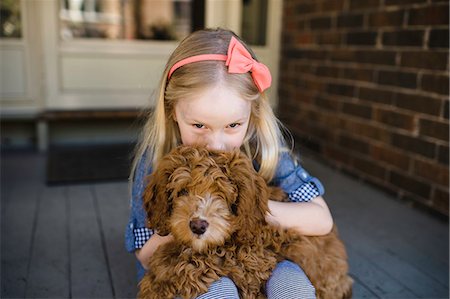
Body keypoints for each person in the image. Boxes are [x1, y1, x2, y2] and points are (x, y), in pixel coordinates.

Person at [125, 28, 333, 299]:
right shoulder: (155, 159)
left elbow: (322, 220)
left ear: (252, 114)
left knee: (292, 287)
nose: (216, 144)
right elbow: (145, 255)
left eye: (233, 125)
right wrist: (190, 216)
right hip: (185, 269)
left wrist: (247, 208)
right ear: (172, 110)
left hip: (261, 258)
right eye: (199, 125)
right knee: (217, 291)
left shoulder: (264, 148)